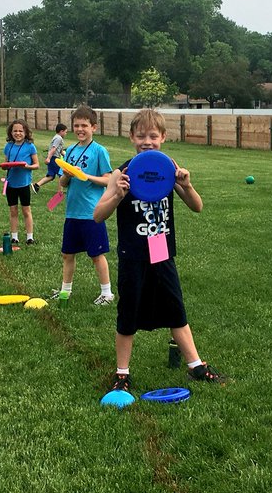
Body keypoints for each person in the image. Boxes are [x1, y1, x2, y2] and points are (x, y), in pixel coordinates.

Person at [93, 108, 225, 390]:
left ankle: (196, 366)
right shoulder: (121, 173)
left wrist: (187, 185)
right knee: (128, 312)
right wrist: (117, 195)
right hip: (133, 253)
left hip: (161, 250)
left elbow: (197, 206)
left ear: (163, 137)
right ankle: (122, 373)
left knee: (175, 307)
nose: (147, 142)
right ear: (131, 137)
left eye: (153, 136)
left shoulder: (168, 170)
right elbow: (98, 215)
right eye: (141, 136)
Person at [48, 105, 114, 305]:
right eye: (76, 125)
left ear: (93, 127)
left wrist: (86, 176)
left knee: (96, 254)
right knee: (67, 254)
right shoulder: (70, 151)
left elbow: (108, 179)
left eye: (84, 125)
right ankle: (65, 291)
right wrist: (68, 175)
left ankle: (107, 293)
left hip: (91, 213)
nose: (80, 129)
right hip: (72, 213)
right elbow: (62, 182)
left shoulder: (99, 151)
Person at [2, 120, 39, 245]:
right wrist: (5, 166)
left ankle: (30, 237)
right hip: (11, 184)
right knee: (13, 210)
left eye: (20, 131)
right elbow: (6, 163)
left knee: (26, 210)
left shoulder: (30, 146)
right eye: (15, 131)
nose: (18, 133)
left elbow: (37, 165)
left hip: (24, 184)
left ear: (26, 132)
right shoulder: (8, 146)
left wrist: (27, 166)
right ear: (11, 132)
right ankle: (14, 236)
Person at [32, 122, 68, 192]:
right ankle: (60, 192)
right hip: (54, 159)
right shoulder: (59, 138)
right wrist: (48, 158)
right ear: (61, 131)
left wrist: (66, 156)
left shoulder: (57, 137)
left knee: (51, 176)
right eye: (65, 132)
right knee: (61, 174)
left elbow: (60, 150)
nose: (66, 134)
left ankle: (36, 185)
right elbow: (53, 149)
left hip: (52, 158)